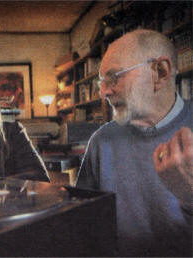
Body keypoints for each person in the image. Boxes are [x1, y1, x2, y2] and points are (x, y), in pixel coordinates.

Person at [75, 29, 192, 257]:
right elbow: (83, 227)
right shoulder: (101, 141)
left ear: (159, 72)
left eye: (114, 77)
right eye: (101, 82)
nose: (103, 92)